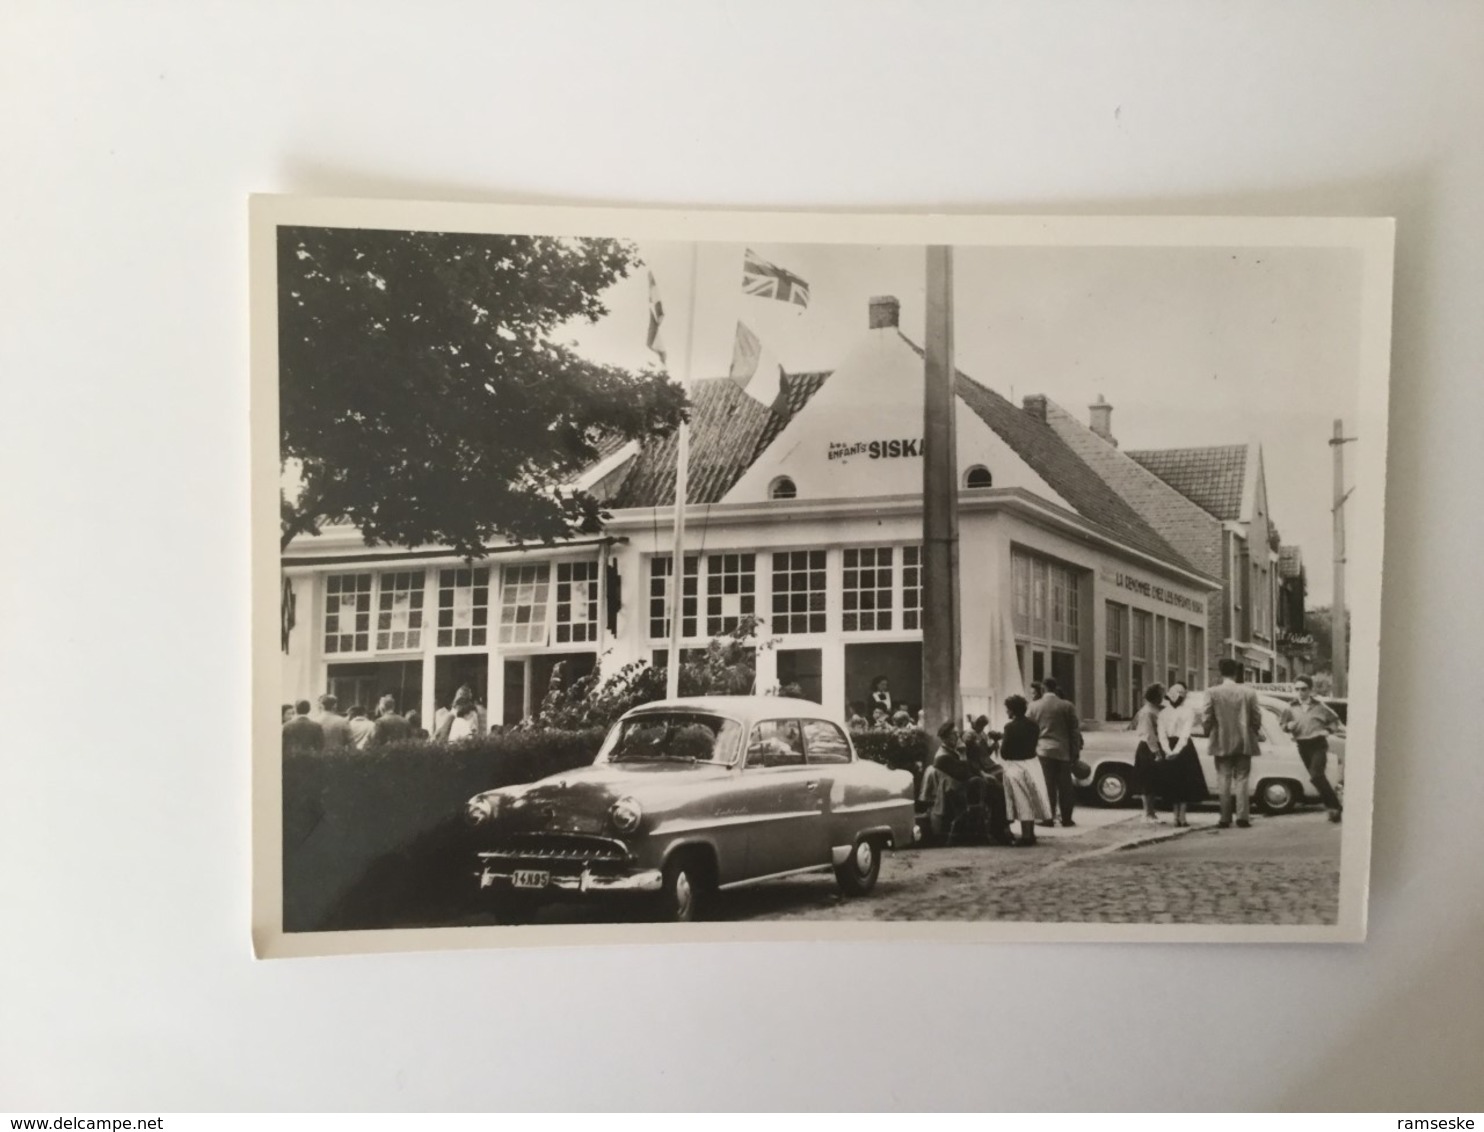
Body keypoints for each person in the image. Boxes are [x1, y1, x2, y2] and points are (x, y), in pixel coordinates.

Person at [1201, 658, 1263, 828]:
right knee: (1242, 778)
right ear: (1236, 672)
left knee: (1223, 778)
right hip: (1244, 741)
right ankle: (1243, 817)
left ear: (1221, 672)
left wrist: (1208, 732)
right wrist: (1253, 732)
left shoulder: (1212, 692)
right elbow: (1257, 717)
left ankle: (1224, 818)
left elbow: (1206, 716)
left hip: (1221, 740)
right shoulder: (1249, 692)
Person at [1280, 675, 1343, 822]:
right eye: (1297, 689)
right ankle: (1334, 806)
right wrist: (1287, 727)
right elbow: (1282, 724)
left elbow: (1335, 721)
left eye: (1304, 689)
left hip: (1318, 744)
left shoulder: (1320, 707)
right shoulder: (1291, 708)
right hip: (1302, 745)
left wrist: (1327, 731)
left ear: (1310, 690)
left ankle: (1334, 806)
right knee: (1316, 779)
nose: (1300, 692)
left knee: (1316, 775)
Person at [1027, 676, 1083, 828]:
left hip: (1042, 750)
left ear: (1043, 689)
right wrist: (1075, 751)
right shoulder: (1067, 706)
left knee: (1047, 785)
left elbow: (1029, 730)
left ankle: (1048, 818)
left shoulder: (1033, 707)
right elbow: (1074, 731)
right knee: (1065, 786)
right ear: (1055, 687)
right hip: (1063, 751)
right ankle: (1066, 819)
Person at [999, 694, 1053, 845]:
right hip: (1033, 764)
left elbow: (1005, 753)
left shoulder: (1009, 727)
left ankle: (1026, 836)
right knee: (1032, 797)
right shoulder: (1033, 725)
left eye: (1007, 709)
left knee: (1021, 800)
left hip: (1016, 765)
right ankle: (1031, 833)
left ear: (1013, 710)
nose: (1006, 712)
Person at [1157, 681, 1206, 827]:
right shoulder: (1183, 711)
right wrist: (1173, 751)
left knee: (1178, 782)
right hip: (1182, 748)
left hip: (1176, 747)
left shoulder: (1166, 713)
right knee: (1179, 783)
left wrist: (1169, 751)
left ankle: (1179, 816)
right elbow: (1180, 734)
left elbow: (1165, 734)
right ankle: (1179, 816)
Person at [1133, 683, 1167, 824]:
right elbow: (1148, 734)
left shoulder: (1154, 709)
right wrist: (1156, 752)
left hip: (1153, 747)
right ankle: (1147, 813)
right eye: (1161, 694)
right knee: (1147, 780)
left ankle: (1151, 813)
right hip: (1148, 748)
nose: (1163, 697)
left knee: (1152, 781)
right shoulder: (1148, 711)